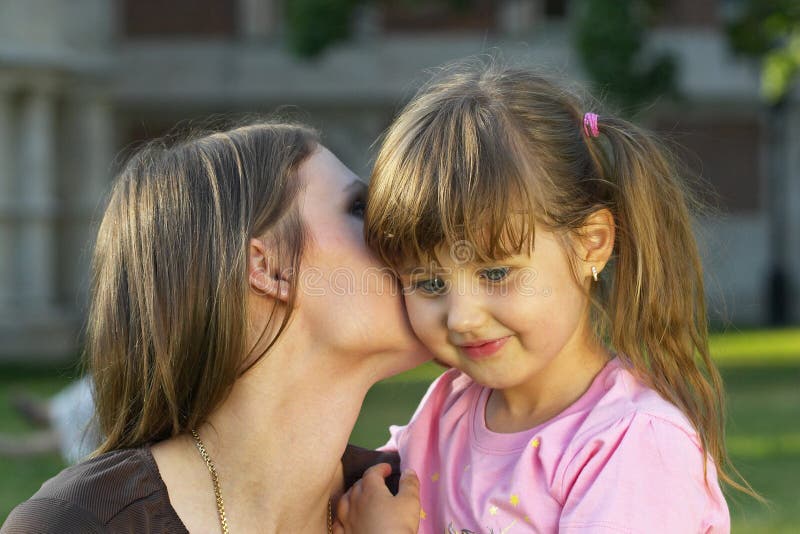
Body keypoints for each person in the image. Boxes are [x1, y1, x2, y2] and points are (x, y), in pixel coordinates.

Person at [335, 60, 758, 533]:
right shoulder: (447, 410)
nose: (463, 318)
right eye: (430, 283)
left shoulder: (631, 444)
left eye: (495, 273)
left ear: (589, 244)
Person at [2, 120, 428, 533]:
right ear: (269, 267)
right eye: (359, 208)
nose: (411, 236)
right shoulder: (79, 524)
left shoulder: (431, 500)